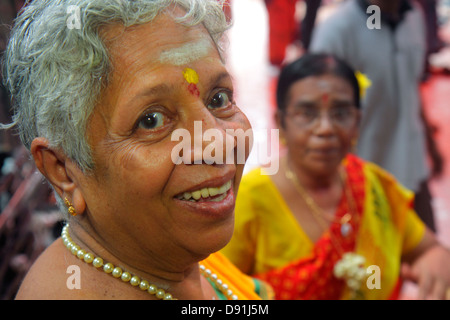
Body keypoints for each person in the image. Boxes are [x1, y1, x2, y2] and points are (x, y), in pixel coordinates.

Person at [2, 0, 270, 300]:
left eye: (219, 99)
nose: (218, 142)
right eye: (151, 120)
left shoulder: (172, 256)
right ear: (63, 170)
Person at [221, 53, 450, 300]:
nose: (325, 128)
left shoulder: (373, 185)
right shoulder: (248, 199)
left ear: (357, 122)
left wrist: (433, 266)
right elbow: (217, 290)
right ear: (281, 123)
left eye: (340, 114)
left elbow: (429, 251)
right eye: (307, 114)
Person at [309, 0, 442, 231]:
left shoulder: (413, 18)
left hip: (413, 172)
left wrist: (430, 145)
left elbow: (411, 88)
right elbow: (316, 111)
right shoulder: (338, 31)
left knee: (429, 256)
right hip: (364, 182)